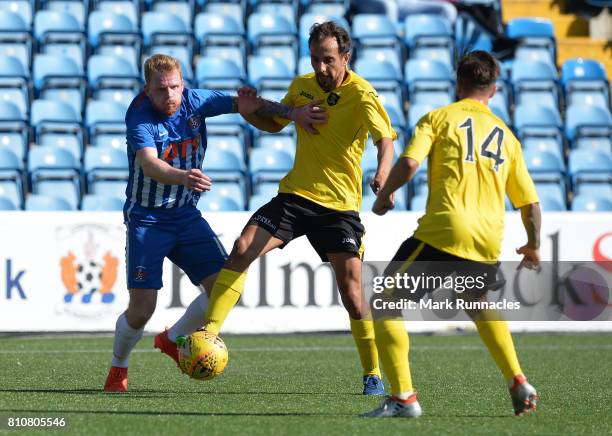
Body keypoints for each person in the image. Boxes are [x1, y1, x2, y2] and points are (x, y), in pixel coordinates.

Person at [189, 21, 397, 395]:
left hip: (338, 208)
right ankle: (210, 332)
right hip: (295, 196)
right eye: (316, 59)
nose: (321, 68)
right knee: (241, 249)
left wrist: (382, 176)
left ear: (346, 58)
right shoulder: (302, 86)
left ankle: (372, 373)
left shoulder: (364, 95)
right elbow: (274, 125)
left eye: (329, 60)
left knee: (352, 294)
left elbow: (386, 141)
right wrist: (249, 112)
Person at [103, 53, 323, 392]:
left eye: (175, 86)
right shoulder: (139, 116)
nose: (170, 95)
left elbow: (245, 104)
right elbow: (149, 165)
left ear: (183, 84)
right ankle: (119, 367)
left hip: (186, 216)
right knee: (142, 308)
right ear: (147, 90)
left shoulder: (195, 101)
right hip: (147, 219)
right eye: (161, 90)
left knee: (223, 287)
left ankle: (173, 339)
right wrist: (183, 176)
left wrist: (292, 113)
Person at [363, 50, 541, 417]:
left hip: (444, 230)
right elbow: (531, 205)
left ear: (458, 84)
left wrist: (383, 196)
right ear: (493, 90)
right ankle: (517, 379)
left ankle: (403, 398)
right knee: (479, 305)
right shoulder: (508, 137)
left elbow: (410, 162)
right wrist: (533, 245)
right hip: (488, 237)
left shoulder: (439, 118)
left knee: (384, 302)